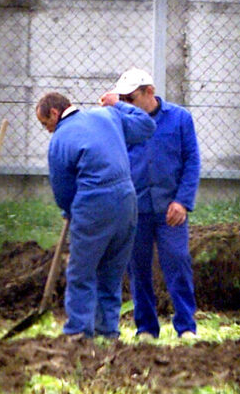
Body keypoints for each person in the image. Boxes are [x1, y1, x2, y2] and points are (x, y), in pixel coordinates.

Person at [36, 90, 156, 339]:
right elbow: (146, 125)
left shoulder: (60, 139)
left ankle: (79, 331)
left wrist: (69, 212)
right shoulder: (108, 116)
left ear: (55, 113)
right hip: (127, 200)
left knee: (82, 271)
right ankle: (108, 331)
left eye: (45, 123)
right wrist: (119, 105)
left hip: (93, 204)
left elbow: (62, 187)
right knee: (112, 272)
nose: (47, 130)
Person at [100, 67, 201, 340]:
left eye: (130, 99)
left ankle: (186, 327)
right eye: (123, 100)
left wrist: (182, 201)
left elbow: (191, 161)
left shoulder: (180, 119)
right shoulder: (120, 122)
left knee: (177, 262)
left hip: (171, 209)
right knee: (137, 269)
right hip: (136, 208)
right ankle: (146, 328)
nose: (126, 105)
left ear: (149, 92)